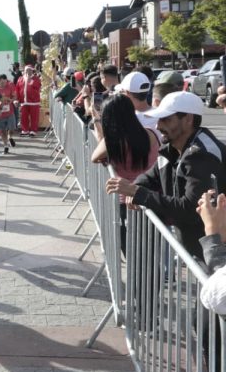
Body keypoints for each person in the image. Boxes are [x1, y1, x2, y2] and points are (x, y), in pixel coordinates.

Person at [106, 91, 226, 260]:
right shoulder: (173, 146)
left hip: (213, 253)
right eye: (159, 119)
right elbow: (149, 176)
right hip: (199, 250)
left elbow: (191, 210)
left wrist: (138, 193)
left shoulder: (201, 155)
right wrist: (137, 189)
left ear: (188, 119)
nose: (158, 125)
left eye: (166, 119)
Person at [91, 94, 159, 255]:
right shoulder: (151, 133)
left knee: (132, 250)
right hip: (152, 196)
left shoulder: (113, 141)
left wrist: (97, 122)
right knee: (152, 247)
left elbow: (94, 157)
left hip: (126, 200)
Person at [16, 65, 41, 137]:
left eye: (30, 70)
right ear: (24, 71)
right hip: (23, 101)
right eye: (27, 70)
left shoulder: (35, 78)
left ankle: (33, 130)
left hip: (34, 102)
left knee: (34, 117)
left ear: (32, 71)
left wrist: (31, 80)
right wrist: (17, 99)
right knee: (23, 116)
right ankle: (25, 130)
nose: (28, 72)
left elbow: (38, 86)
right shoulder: (20, 79)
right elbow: (17, 89)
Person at [0, 75, 18, 154]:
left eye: (5, 82)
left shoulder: (10, 86)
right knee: (2, 130)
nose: (4, 84)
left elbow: (15, 96)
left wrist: (11, 100)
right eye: (2, 82)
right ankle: (6, 146)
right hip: (0, 113)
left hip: (9, 112)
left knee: (12, 129)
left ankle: (10, 137)